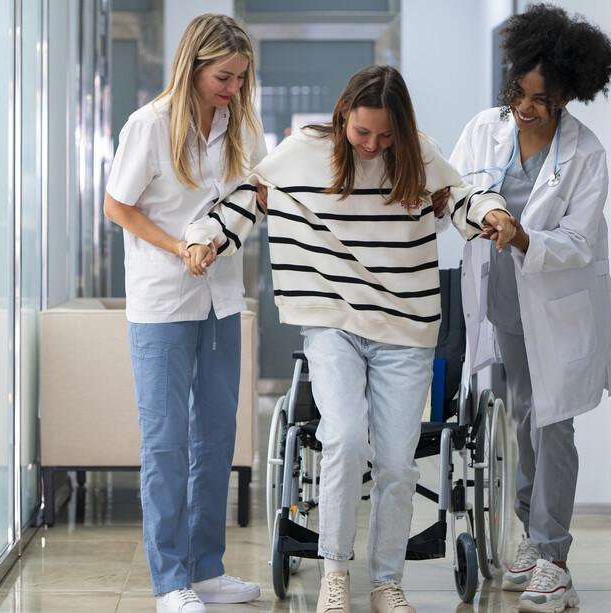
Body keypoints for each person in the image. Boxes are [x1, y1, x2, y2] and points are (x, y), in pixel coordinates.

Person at [184, 65, 515, 613]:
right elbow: (249, 197)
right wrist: (206, 239)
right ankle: (336, 572)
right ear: (343, 117)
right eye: (362, 133)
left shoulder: (417, 152)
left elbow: (460, 197)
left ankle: (387, 582)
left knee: (397, 462)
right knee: (342, 437)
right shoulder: (304, 152)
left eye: (385, 136)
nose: (372, 146)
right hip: (333, 320)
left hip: (405, 327)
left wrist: (493, 213)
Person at [448, 4, 611, 612]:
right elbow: (458, 192)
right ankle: (530, 531)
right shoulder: (485, 128)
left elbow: (577, 241)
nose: (524, 107)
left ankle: (554, 558)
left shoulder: (586, 154)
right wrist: (486, 212)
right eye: (518, 91)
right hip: (502, 299)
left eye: (540, 99)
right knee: (523, 416)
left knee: (554, 422)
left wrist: (521, 237)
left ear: (568, 94)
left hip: (558, 304)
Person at [102, 13, 266, 613]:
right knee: (166, 443)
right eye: (224, 77)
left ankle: (206, 571)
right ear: (194, 66)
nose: (233, 89)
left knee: (216, 439)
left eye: (241, 79)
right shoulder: (147, 126)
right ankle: (169, 580)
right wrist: (178, 247)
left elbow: (254, 195)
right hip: (162, 302)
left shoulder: (239, 127)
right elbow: (117, 206)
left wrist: (240, 219)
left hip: (221, 299)